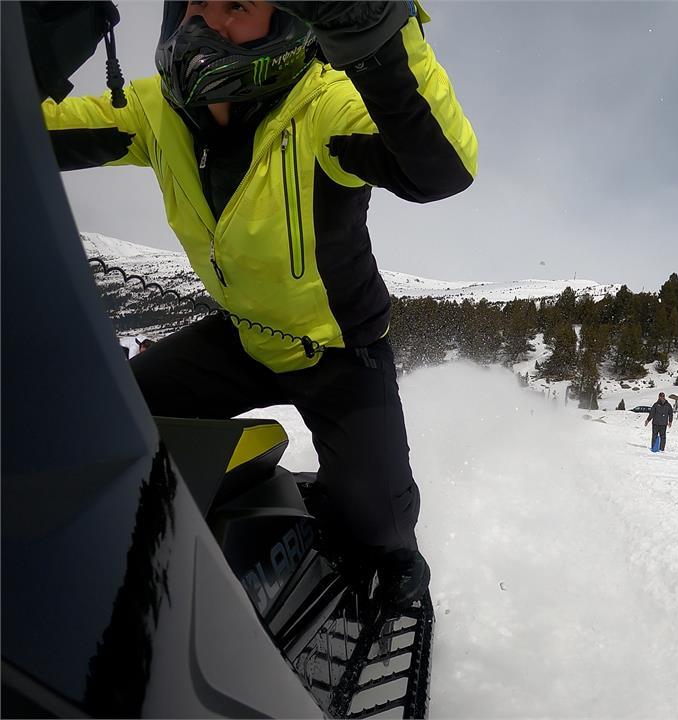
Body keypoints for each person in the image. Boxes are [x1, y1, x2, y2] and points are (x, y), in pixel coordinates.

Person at [42, 0, 477, 608]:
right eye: (194, 0)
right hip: (240, 339)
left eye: (236, 5)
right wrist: (37, 49)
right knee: (116, 415)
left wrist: (377, 35)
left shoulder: (323, 104)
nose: (203, 20)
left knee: (381, 533)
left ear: (289, 20)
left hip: (339, 350)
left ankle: (373, 547)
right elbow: (33, 126)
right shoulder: (152, 109)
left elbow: (441, 167)